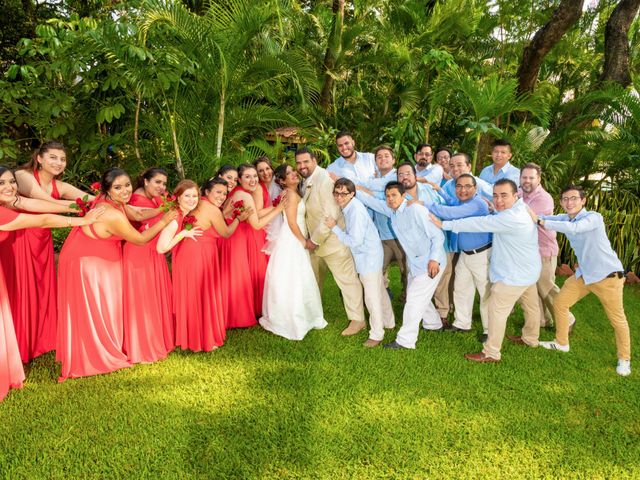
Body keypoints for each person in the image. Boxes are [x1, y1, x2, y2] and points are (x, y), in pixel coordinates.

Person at [56, 168, 176, 382]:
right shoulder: (110, 213)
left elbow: (138, 214)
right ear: (107, 190)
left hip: (98, 256)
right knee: (96, 309)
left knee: (106, 307)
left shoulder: (114, 202)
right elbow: (139, 239)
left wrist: (161, 210)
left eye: (127, 185)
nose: (125, 191)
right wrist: (165, 220)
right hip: (89, 261)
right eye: (118, 187)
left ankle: (103, 346)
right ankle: (96, 355)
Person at [0, 166, 105, 400]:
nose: (8, 187)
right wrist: (82, 219)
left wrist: (80, 205)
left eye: (10, 181)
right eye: (1, 183)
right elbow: (43, 219)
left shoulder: (9, 203)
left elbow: (32, 205)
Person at [433, 179, 541, 362]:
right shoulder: (521, 207)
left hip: (513, 275)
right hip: (529, 271)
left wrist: (444, 225)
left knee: (496, 311)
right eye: (496, 195)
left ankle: (491, 352)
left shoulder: (509, 217)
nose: (498, 200)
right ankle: (531, 338)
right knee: (531, 307)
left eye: (504, 195)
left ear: (516, 195)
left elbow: (478, 223)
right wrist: (495, 207)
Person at [532, 185, 632, 376]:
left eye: (574, 198)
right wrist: (528, 213)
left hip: (607, 277)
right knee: (560, 303)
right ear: (561, 202)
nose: (569, 202)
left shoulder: (593, 217)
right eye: (565, 199)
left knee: (617, 320)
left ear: (583, 200)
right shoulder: (565, 217)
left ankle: (624, 359)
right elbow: (545, 218)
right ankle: (562, 343)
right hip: (585, 275)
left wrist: (541, 221)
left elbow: (574, 228)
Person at [10, 141, 92, 362]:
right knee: (23, 289)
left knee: (42, 289)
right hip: (21, 239)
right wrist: (79, 209)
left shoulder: (61, 186)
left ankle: (41, 340)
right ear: (39, 158)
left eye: (62, 159)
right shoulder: (23, 176)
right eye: (53, 157)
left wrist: (109, 201)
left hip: (42, 240)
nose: (59, 163)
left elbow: (88, 199)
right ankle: (19, 341)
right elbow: (42, 202)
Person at [157, 179, 249, 352]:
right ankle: (203, 338)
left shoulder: (197, 205)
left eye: (224, 193)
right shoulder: (211, 208)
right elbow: (226, 233)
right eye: (218, 192)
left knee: (193, 295)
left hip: (189, 253)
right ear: (206, 192)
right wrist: (239, 219)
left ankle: (192, 336)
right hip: (199, 256)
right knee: (202, 294)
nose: (222, 196)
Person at [356, 181, 446, 348]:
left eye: (394, 195)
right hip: (416, 263)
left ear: (403, 195)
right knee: (416, 295)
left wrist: (434, 259)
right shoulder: (393, 212)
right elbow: (372, 202)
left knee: (413, 301)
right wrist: (354, 190)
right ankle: (434, 324)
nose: (390, 199)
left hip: (432, 262)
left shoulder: (416, 210)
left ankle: (405, 341)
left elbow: (438, 236)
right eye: (388, 196)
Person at [295, 147, 366, 336]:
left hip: (332, 241)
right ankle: (313, 315)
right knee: (313, 280)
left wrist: (314, 241)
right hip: (314, 243)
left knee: (348, 282)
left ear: (314, 160)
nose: (302, 166)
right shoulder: (305, 180)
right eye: (299, 162)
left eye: (305, 161)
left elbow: (331, 214)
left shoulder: (324, 179)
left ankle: (358, 320)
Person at [259, 165, 327, 340]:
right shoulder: (289, 194)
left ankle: (302, 314)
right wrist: (304, 241)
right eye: (288, 174)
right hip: (292, 239)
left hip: (294, 237)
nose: (293, 174)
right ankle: (291, 318)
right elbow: (291, 221)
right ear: (281, 181)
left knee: (297, 276)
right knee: (293, 277)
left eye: (293, 171)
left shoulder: (296, 191)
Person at [326, 179, 394, 347]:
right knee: (379, 289)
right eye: (336, 193)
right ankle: (389, 322)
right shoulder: (350, 206)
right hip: (370, 254)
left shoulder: (355, 210)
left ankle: (377, 334)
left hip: (368, 257)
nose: (339, 197)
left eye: (344, 193)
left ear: (352, 194)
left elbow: (354, 241)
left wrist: (334, 227)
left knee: (372, 298)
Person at [219, 164, 287, 328]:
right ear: (240, 180)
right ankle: (238, 315)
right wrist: (278, 209)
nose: (253, 179)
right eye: (247, 177)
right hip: (237, 239)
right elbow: (256, 224)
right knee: (238, 277)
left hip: (235, 237)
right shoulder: (245, 195)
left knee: (236, 276)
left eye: (254, 176)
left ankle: (234, 313)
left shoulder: (237, 193)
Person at [122, 167, 175, 364]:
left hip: (152, 251)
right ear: (145, 181)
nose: (162, 187)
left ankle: (156, 338)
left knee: (152, 297)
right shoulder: (136, 200)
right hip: (139, 253)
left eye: (164, 183)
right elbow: (142, 218)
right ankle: (142, 347)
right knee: (142, 300)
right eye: (158, 182)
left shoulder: (155, 199)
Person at [429, 174, 491, 337]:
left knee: (485, 293)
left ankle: (489, 330)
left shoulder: (477, 203)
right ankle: (462, 323)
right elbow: (452, 202)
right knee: (461, 289)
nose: (462, 190)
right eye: (459, 186)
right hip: (465, 255)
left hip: (482, 254)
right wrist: (440, 191)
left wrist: (425, 204)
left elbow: (451, 212)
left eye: (467, 186)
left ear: (475, 188)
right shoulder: (463, 201)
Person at [519, 163, 575, 329]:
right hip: (528, 250)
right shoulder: (520, 193)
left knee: (546, 287)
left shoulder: (544, 198)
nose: (527, 181)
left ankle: (568, 319)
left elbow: (526, 218)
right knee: (533, 289)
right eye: (524, 177)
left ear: (539, 179)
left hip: (543, 250)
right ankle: (543, 320)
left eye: (531, 177)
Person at [356, 145, 407, 299]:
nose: (383, 159)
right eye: (379, 157)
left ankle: (408, 298)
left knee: (406, 268)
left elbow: (381, 194)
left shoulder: (396, 177)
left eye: (386, 156)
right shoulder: (374, 178)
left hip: (398, 234)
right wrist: (367, 188)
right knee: (378, 268)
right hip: (381, 235)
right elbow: (375, 191)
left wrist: (365, 189)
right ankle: (383, 295)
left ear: (393, 160)